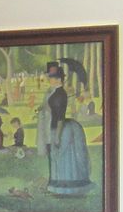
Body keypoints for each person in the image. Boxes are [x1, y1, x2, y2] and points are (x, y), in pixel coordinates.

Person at [37, 62, 91, 196]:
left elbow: (60, 117)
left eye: (51, 77)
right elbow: (52, 109)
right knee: (53, 157)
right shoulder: (54, 92)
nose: (49, 79)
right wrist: (44, 108)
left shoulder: (60, 94)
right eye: (50, 77)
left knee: (59, 158)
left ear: (58, 79)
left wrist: (57, 136)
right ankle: (54, 185)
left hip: (57, 127)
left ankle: (62, 187)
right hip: (52, 126)